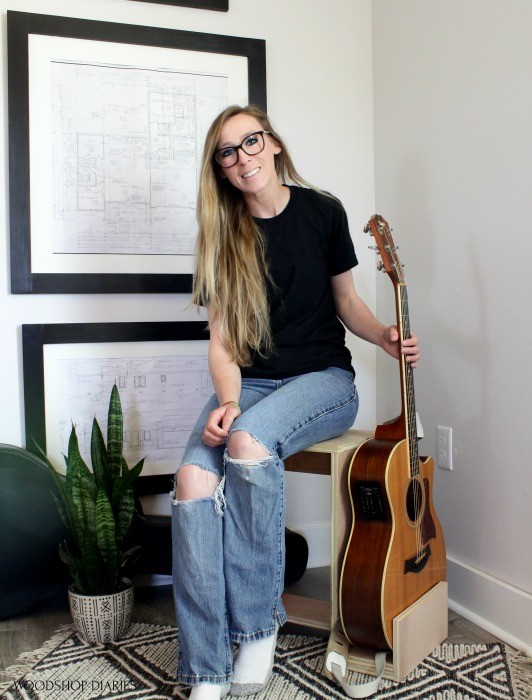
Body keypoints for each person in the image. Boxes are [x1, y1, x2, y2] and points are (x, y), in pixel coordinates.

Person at [171, 104, 419, 700]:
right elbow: (223, 343)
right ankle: (207, 666)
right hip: (251, 383)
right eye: (227, 152)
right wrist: (228, 401)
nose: (242, 157)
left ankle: (257, 630)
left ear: (274, 144)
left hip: (323, 380)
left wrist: (382, 334)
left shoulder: (322, 212)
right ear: (222, 170)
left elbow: (347, 302)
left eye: (250, 142)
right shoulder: (222, 235)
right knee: (191, 483)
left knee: (249, 443)